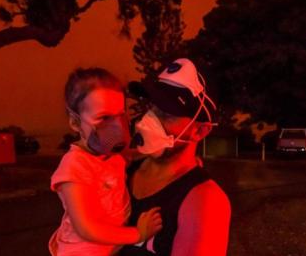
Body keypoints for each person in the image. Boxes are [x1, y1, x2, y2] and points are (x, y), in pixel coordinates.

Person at [120, 58, 231, 256]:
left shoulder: (205, 203)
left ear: (200, 131)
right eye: (153, 107)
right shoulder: (120, 172)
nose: (150, 119)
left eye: (168, 113)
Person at [49, 68, 162, 256]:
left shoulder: (110, 154)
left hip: (110, 248)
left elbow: (129, 156)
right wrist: (138, 234)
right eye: (103, 117)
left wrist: (161, 154)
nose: (116, 126)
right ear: (75, 123)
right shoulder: (75, 166)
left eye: (119, 114)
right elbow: (86, 228)